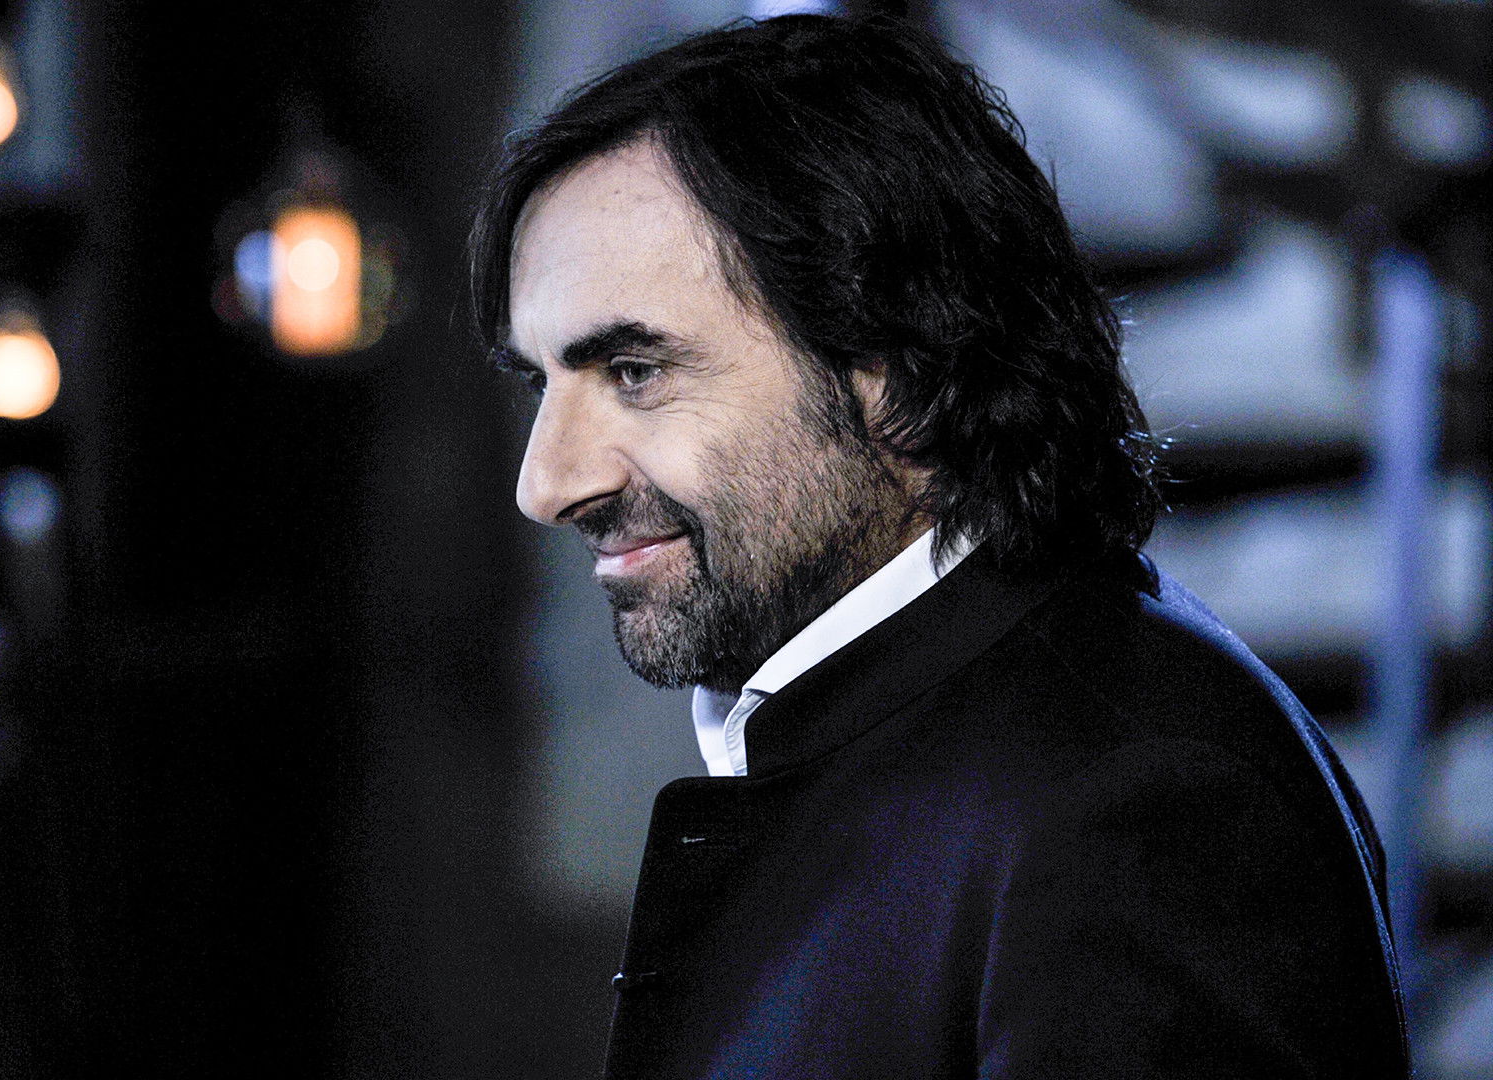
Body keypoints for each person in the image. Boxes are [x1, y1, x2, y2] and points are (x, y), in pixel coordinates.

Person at [468, 13, 1407, 1079]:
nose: (546, 486)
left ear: (895, 364)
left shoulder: (1143, 805)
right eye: (541, 382)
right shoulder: (911, 745)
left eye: (635, 373)